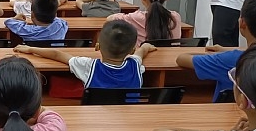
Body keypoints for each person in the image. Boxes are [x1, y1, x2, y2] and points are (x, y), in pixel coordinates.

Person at [177, 0, 256, 102]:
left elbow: (181, 59)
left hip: (226, 114)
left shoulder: (229, 60)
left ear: (242, 23)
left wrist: (221, 54)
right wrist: (228, 50)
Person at [15, 21, 156, 88]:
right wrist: (146, 46)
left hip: (94, 120)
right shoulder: (135, 66)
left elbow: (57, 54)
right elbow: (141, 52)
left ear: (97, 46)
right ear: (131, 50)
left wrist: (30, 49)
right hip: (128, 119)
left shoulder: (89, 66)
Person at [108, 0, 181, 47]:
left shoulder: (136, 18)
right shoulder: (175, 18)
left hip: (142, 54)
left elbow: (110, 18)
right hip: (172, 54)